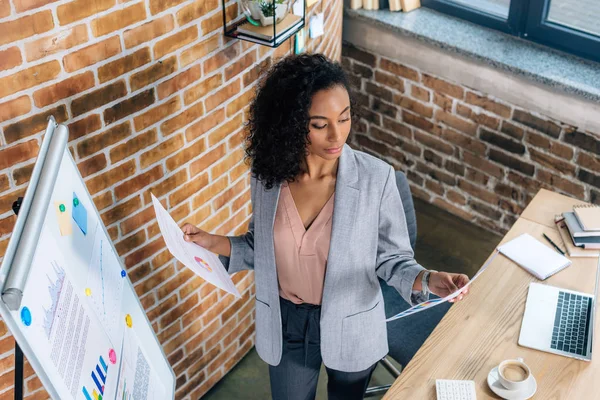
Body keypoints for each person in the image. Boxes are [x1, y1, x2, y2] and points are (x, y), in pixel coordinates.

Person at [181, 53, 470, 400]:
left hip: (352, 323)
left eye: (344, 118)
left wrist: (428, 279)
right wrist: (214, 243)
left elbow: (391, 259)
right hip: (287, 322)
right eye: (320, 124)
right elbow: (263, 248)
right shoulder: (267, 176)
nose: (337, 135)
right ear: (290, 123)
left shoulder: (376, 179)